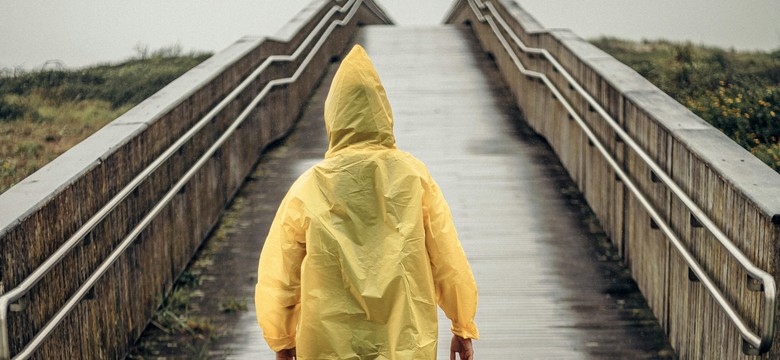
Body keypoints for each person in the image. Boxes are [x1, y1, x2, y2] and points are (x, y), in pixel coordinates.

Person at [255, 44, 479, 360]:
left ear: (332, 115)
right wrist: (462, 324)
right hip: (406, 341)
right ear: (384, 113)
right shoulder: (414, 176)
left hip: (327, 345)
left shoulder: (308, 188)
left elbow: (280, 272)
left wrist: (282, 339)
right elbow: (447, 256)